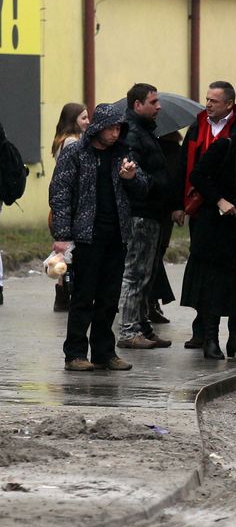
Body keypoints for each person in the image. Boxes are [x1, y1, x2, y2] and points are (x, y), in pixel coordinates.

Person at [49, 102, 149, 371]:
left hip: (116, 235)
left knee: (108, 298)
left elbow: (143, 188)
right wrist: (62, 234)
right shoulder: (76, 153)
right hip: (86, 236)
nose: (115, 133)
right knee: (83, 296)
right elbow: (60, 194)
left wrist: (130, 178)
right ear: (98, 128)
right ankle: (75, 354)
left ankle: (105, 352)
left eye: (119, 128)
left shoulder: (123, 155)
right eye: (111, 128)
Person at [182, 107, 236, 360]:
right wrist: (220, 200)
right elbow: (198, 174)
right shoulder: (224, 146)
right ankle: (210, 340)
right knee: (214, 288)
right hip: (216, 229)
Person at [176, 80, 236, 349]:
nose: (208, 104)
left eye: (214, 101)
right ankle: (201, 328)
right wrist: (177, 203)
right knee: (202, 267)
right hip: (200, 206)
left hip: (230, 208)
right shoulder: (197, 126)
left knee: (229, 270)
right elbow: (184, 166)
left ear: (229, 104)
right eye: (207, 99)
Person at [116, 84, 172, 350]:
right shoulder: (132, 134)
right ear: (138, 105)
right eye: (153, 102)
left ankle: (142, 327)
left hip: (151, 212)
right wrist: (152, 185)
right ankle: (128, 331)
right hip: (140, 213)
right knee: (136, 274)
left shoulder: (145, 132)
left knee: (146, 274)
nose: (158, 106)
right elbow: (133, 174)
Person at [49, 102, 89, 311]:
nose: (87, 121)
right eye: (83, 118)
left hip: (61, 205)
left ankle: (61, 293)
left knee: (64, 253)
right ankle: (65, 293)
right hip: (71, 204)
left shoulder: (60, 141)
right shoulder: (72, 143)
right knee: (69, 252)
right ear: (73, 119)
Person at [147, 128, 185, 325]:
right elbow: (178, 182)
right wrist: (178, 206)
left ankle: (151, 301)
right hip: (165, 212)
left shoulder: (151, 148)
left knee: (151, 258)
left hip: (155, 209)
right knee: (156, 256)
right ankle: (151, 301)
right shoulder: (176, 152)